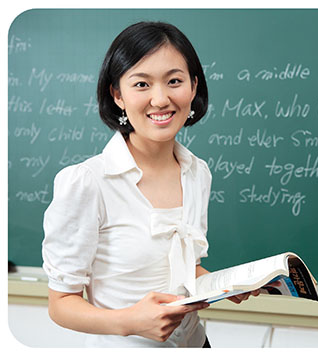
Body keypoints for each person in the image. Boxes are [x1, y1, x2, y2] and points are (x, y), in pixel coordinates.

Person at [41, 21, 260, 348]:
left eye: (174, 81)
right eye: (141, 84)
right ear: (117, 95)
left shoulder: (197, 173)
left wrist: (226, 285)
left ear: (193, 86)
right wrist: (130, 322)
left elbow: (188, 267)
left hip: (197, 343)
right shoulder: (87, 183)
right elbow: (60, 304)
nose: (161, 99)